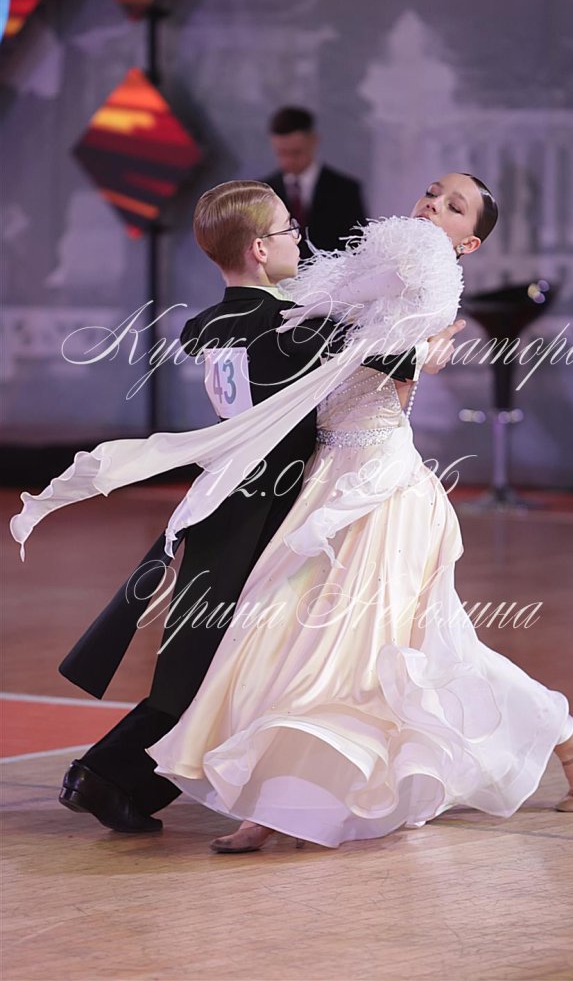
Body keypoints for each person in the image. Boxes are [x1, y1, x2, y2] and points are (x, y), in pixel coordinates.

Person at [139, 173, 573, 853]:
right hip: (324, 476)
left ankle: (285, 802)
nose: (433, 205)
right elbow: (317, 337)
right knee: (290, 633)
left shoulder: (428, 276)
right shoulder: (369, 267)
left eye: (454, 207)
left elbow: (380, 354)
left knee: (357, 650)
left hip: (380, 484)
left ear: (469, 242)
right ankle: (279, 795)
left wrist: (418, 353)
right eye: (432, 193)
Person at [10, 181, 458, 835]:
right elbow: (398, 358)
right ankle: (102, 774)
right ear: (259, 249)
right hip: (260, 513)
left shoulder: (211, 325)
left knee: (208, 659)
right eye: (287, 229)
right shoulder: (289, 326)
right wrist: (433, 338)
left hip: (222, 500)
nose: (299, 237)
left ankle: (118, 780)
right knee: (212, 665)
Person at [263, 106, 367, 258]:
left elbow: (357, 248)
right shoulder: (263, 193)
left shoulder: (345, 191)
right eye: (281, 153)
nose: (288, 161)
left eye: (296, 152)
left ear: (313, 141)